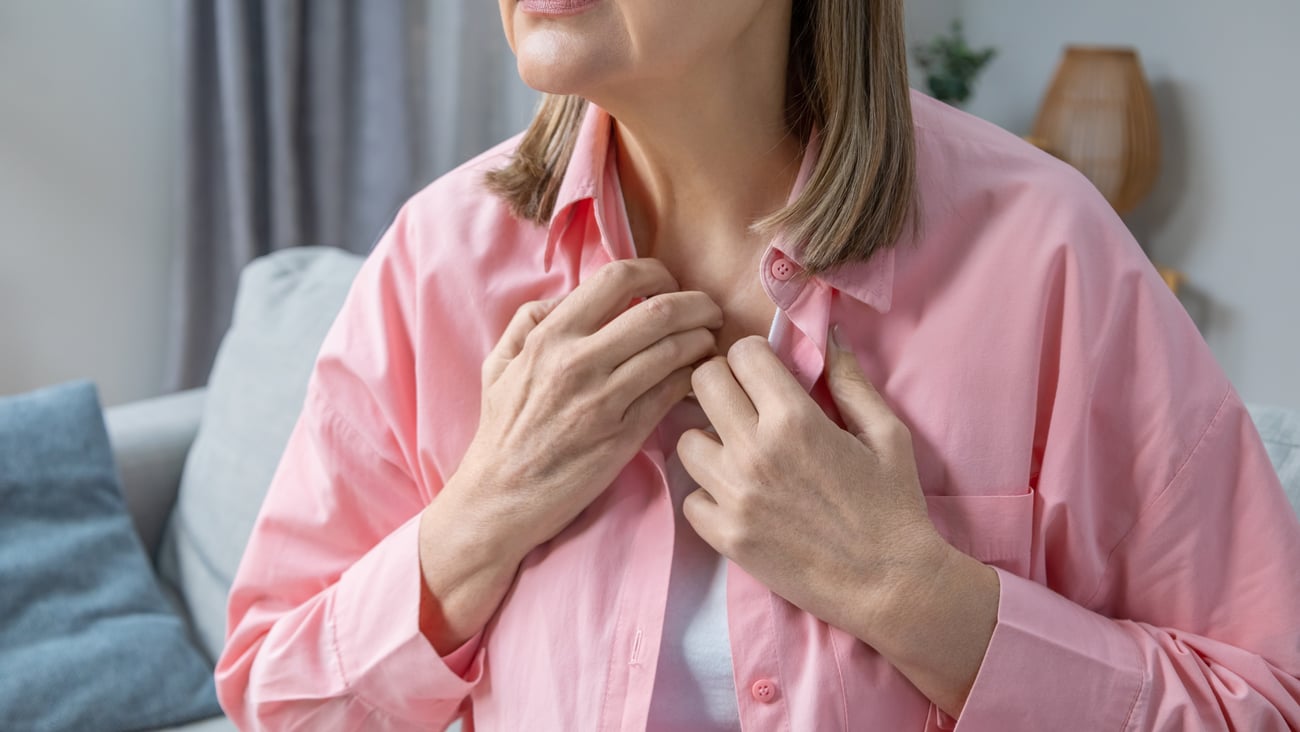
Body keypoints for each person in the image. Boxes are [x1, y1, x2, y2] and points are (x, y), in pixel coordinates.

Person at [216, 0, 1300, 729]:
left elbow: (1263, 699)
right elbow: (276, 693)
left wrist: (918, 599)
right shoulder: (435, 263)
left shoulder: (1046, 258)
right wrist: (479, 517)